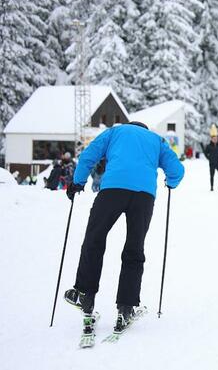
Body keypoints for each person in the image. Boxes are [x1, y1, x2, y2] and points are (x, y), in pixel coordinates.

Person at [63, 121, 184, 333]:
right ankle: (126, 307)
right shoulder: (156, 140)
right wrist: (171, 182)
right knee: (134, 248)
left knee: (95, 238)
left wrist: (78, 182)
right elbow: (177, 169)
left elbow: (88, 155)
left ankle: (84, 295)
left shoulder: (114, 132)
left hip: (112, 190)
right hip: (144, 197)